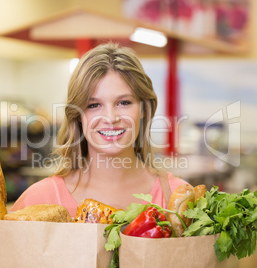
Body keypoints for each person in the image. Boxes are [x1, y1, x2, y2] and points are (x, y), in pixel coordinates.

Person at [10, 42, 189, 217]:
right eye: (94, 105)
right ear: (77, 115)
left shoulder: (178, 199)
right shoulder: (37, 201)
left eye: (124, 102)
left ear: (144, 109)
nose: (111, 118)